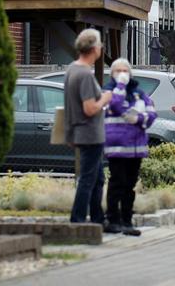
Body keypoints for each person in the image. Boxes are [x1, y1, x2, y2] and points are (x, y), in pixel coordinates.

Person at [64, 29, 113, 226]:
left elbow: (70, 105)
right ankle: (77, 220)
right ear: (94, 49)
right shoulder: (84, 74)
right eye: (100, 44)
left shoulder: (72, 69)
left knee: (97, 178)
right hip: (90, 134)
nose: (101, 48)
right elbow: (90, 108)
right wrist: (105, 98)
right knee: (87, 179)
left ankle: (98, 218)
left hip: (81, 132)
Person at [104, 58, 156, 236]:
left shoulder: (139, 94)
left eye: (125, 71)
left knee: (130, 185)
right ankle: (113, 220)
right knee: (117, 183)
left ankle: (127, 221)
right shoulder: (109, 91)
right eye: (118, 71)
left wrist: (138, 119)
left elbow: (151, 114)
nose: (122, 74)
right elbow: (115, 105)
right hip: (117, 147)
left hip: (136, 148)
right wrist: (120, 85)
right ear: (112, 74)